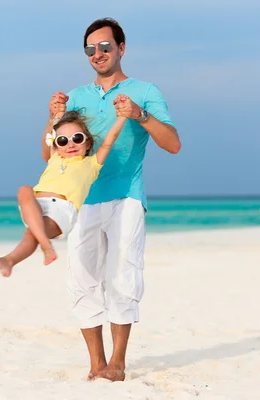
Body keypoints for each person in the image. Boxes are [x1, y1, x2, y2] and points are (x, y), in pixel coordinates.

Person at [42, 18, 182, 382]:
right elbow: (52, 157)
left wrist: (139, 114)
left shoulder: (146, 90)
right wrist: (52, 116)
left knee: (123, 276)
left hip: (127, 197)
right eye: (91, 49)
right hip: (82, 200)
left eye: (105, 46)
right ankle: (96, 363)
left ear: (121, 48)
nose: (98, 54)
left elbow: (173, 144)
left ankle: (118, 363)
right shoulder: (75, 97)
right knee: (81, 279)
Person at [0, 102, 129, 277]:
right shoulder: (55, 158)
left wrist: (123, 116)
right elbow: (51, 133)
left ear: (88, 142)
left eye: (77, 138)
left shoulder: (91, 164)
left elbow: (110, 138)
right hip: (36, 205)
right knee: (24, 190)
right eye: (63, 141)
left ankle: (32, 251)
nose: (70, 144)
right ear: (56, 145)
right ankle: (12, 259)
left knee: (32, 233)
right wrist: (56, 113)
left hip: (62, 210)